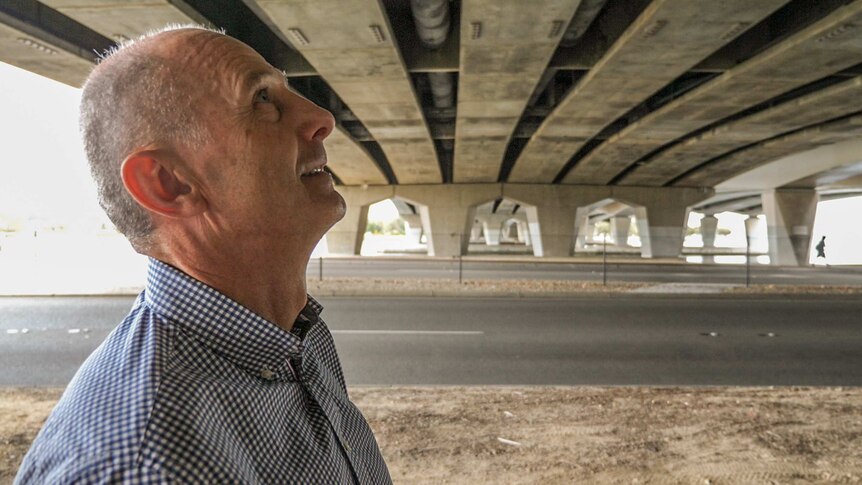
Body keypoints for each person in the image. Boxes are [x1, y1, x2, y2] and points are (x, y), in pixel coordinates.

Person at [15, 25, 391, 484]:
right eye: (262, 100)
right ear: (169, 184)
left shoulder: (288, 338)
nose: (321, 117)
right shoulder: (147, 464)